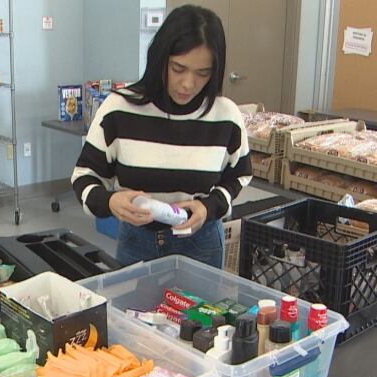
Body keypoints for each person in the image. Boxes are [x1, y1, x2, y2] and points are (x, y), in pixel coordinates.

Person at [71, 5, 252, 269]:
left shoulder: (225, 116)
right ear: (160, 59)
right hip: (137, 243)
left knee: (200, 311)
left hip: (200, 243)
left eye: (203, 73)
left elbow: (239, 175)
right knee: (132, 312)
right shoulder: (119, 110)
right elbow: (84, 176)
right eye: (178, 68)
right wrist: (110, 201)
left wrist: (210, 207)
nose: (188, 84)